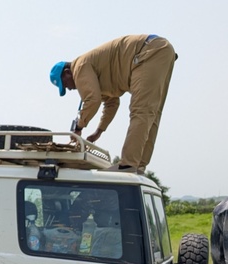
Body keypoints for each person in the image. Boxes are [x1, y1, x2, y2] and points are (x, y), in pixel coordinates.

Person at [49, 34, 177, 174]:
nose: (70, 88)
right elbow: (111, 103)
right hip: (159, 51)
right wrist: (99, 131)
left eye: (66, 84)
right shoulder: (95, 72)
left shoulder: (79, 67)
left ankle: (128, 165)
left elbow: (92, 100)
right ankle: (139, 166)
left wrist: (79, 126)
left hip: (147, 52)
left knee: (142, 112)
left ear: (67, 73)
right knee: (151, 113)